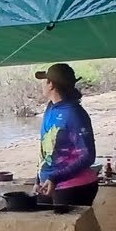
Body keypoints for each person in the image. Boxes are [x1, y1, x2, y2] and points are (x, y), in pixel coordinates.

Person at [33, 63, 99, 206]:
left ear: (51, 85)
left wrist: (55, 178)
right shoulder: (51, 107)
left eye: (45, 81)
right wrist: (38, 179)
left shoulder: (75, 114)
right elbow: (45, 148)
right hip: (49, 183)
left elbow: (88, 156)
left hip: (73, 187)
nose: (43, 85)